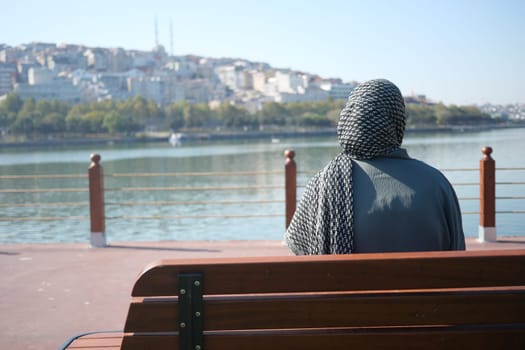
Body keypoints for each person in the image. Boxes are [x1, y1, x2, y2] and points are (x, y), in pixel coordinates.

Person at [285, 79, 465, 255]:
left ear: (349, 119)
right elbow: (458, 254)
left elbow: (300, 251)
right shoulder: (437, 184)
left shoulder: (322, 185)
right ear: (397, 121)